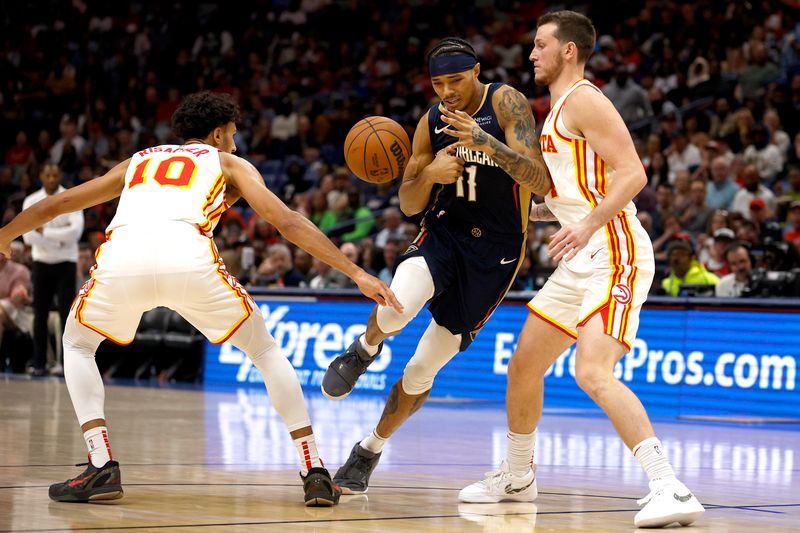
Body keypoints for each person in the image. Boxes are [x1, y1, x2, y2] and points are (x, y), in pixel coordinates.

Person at [0, 91, 402, 507]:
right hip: (189, 258)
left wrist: (5, 234)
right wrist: (355, 271)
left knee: (78, 343)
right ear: (215, 134)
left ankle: (100, 464)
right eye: (231, 135)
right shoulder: (228, 163)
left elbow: (61, 203)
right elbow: (286, 220)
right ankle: (314, 469)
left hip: (123, 258)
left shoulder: (139, 160)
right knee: (263, 348)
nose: (235, 143)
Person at [457, 12, 704, 529]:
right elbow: (561, 193)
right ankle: (519, 474)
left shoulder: (587, 100)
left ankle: (669, 487)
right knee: (525, 365)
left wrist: (588, 223)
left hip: (614, 247)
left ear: (568, 50)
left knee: (591, 371)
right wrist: (499, 166)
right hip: (582, 255)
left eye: (540, 45)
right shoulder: (555, 113)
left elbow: (634, 173)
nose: (531, 54)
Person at [320, 37, 551, 495]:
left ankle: (370, 448)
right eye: (437, 82)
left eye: (456, 80)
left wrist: (485, 142)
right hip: (445, 233)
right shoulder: (431, 121)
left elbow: (540, 179)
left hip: (496, 255)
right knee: (398, 306)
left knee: (424, 367)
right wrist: (427, 175)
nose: (446, 91)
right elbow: (408, 203)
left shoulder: (505, 102)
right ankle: (363, 350)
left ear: (477, 71)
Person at [22, 163, 83, 376]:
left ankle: (66, 365)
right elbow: (28, 236)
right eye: (47, 175)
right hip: (41, 263)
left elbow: (75, 232)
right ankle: (39, 363)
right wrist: (59, 239)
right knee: (40, 314)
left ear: (61, 175)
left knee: (68, 315)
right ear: (40, 175)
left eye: (54, 175)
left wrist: (45, 232)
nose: (50, 179)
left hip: (66, 263)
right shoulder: (31, 201)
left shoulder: (72, 197)